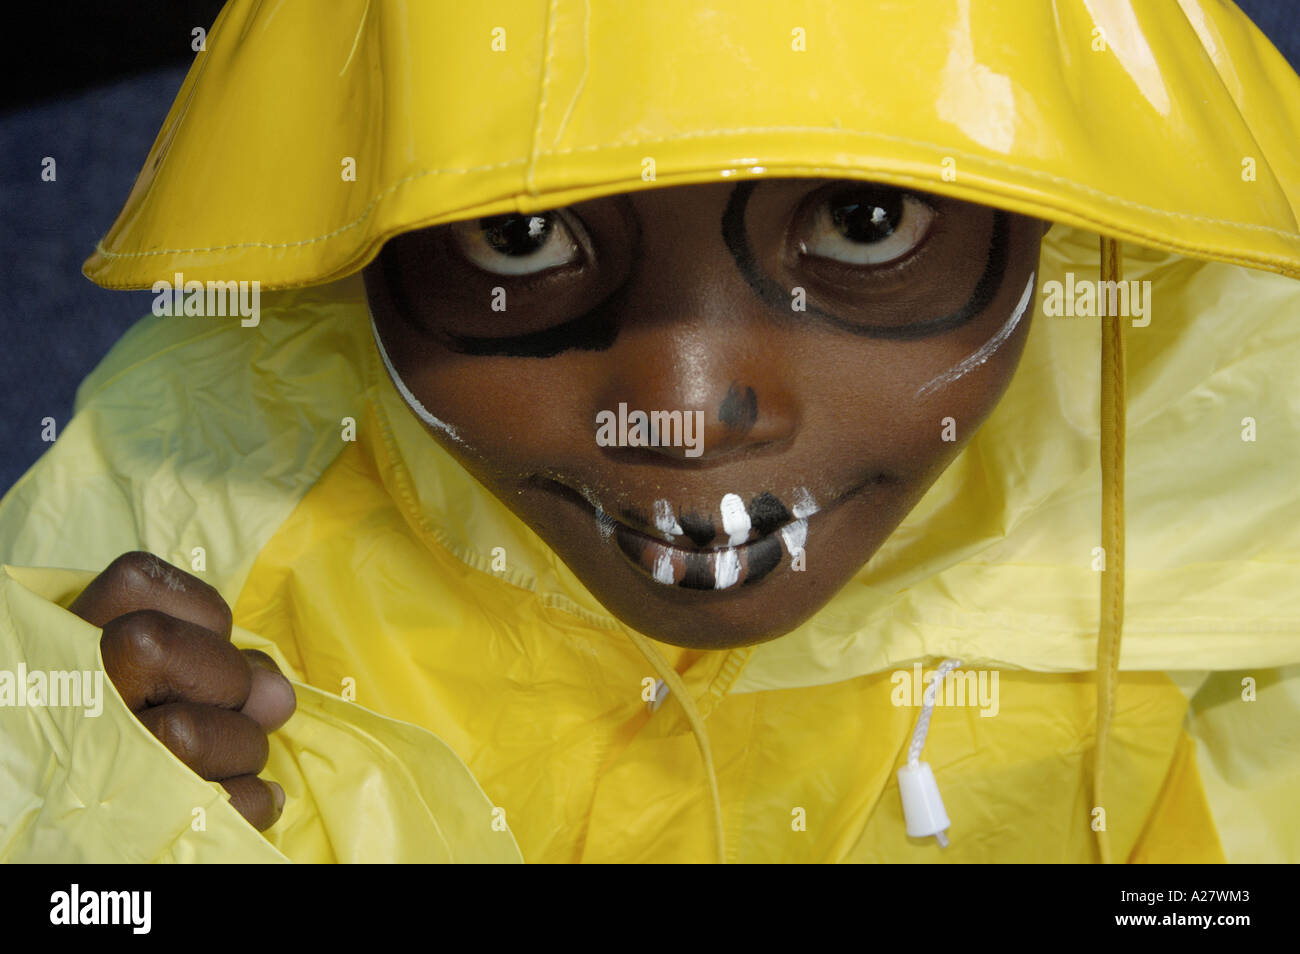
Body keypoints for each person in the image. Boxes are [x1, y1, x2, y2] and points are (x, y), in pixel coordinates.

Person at [2, 0, 1299, 863]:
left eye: (861, 218)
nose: (684, 410)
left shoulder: (1229, 447)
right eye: (521, 235)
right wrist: (115, 814)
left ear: (1062, 222)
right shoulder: (202, 509)